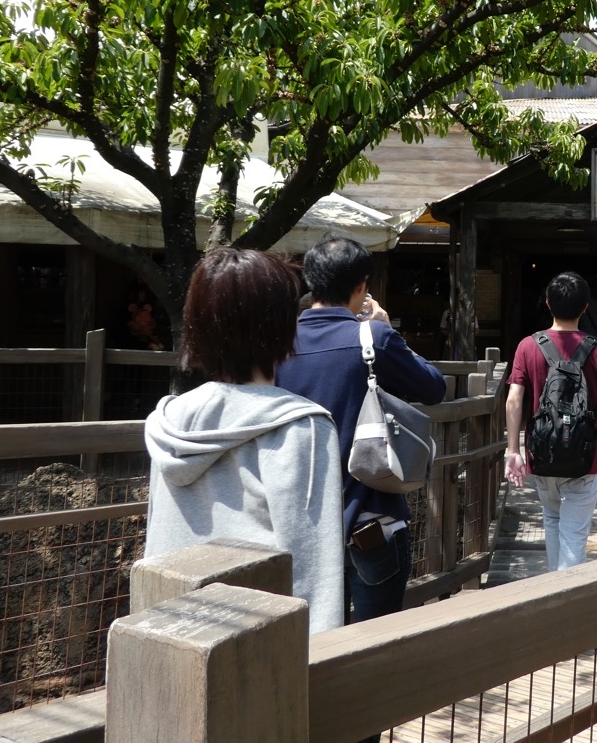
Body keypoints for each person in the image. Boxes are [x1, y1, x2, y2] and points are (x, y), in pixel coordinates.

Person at [144, 248, 343, 634]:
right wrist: (320, 654)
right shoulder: (302, 426)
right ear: (282, 326)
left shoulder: (169, 420)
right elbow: (313, 568)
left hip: (167, 629)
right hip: (259, 641)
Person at [275, 235, 447, 630]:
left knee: (313, 644)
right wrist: (384, 329)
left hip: (302, 524)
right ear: (361, 285)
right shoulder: (373, 338)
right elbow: (434, 388)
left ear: (311, 281)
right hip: (372, 524)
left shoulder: (278, 344)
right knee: (376, 644)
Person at [505, 271, 597, 570]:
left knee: (552, 520)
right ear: (585, 307)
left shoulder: (528, 346)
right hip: (585, 456)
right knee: (574, 535)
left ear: (548, 304)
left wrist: (513, 450)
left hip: (542, 453)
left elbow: (514, 399)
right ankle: (567, 595)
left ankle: (554, 588)